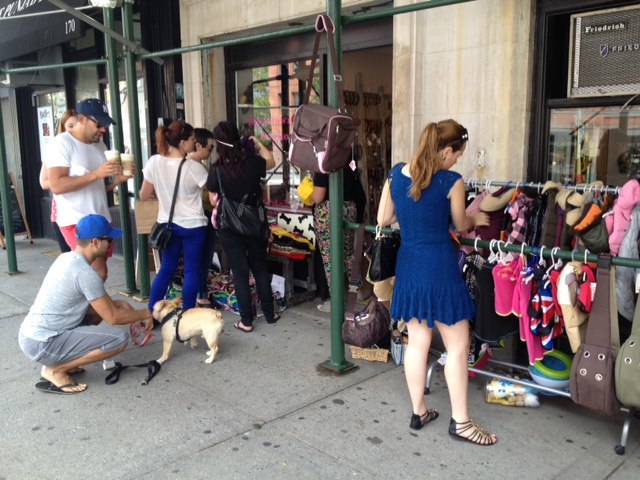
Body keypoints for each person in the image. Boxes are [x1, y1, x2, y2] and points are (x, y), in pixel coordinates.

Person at [377, 119, 497, 445]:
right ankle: (461, 423)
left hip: (410, 266)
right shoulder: (451, 181)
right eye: (457, 154)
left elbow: (382, 220)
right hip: (441, 269)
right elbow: (459, 224)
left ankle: (419, 411)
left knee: (417, 343)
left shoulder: (397, 173)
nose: (458, 160)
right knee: (458, 347)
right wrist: (477, 218)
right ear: (446, 150)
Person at [18, 214, 153, 395]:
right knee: (119, 339)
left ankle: (63, 361)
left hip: (33, 336)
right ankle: (55, 370)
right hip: (43, 343)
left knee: (98, 313)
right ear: (96, 242)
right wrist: (146, 313)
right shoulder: (85, 273)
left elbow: (95, 307)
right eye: (109, 239)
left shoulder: (66, 258)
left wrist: (118, 303)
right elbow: (113, 318)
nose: (111, 244)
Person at [207, 121, 280, 332]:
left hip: (229, 226)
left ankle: (246, 321)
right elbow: (272, 160)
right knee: (259, 267)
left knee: (240, 272)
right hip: (254, 223)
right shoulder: (253, 162)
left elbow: (213, 200)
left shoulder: (216, 168)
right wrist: (256, 142)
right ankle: (270, 313)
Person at [46, 98, 131, 281]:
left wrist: (116, 182)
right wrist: (96, 174)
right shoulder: (62, 143)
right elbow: (56, 185)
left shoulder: (100, 146)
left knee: (98, 273)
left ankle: (86, 309)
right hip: (76, 220)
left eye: (106, 124)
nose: (103, 129)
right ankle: (93, 310)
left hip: (101, 218)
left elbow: (97, 188)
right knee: (96, 273)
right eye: (99, 124)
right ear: (82, 119)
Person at [140, 120, 207, 314]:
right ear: (183, 142)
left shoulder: (154, 162)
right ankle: (187, 315)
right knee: (191, 270)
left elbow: (144, 195)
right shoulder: (194, 168)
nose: (195, 143)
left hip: (168, 225)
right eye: (193, 139)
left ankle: (152, 312)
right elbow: (212, 190)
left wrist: (162, 192)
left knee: (166, 269)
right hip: (194, 226)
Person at [311, 163, 365, 312]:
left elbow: (318, 196)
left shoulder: (324, 163)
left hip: (329, 211)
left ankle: (336, 302)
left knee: (330, 258)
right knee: (347, 253)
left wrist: (309, 194)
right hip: (349, 208)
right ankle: (358, 291)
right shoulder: (345, 160)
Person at [187, 127, 218, 308]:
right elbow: (213, 197)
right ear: (198, 145)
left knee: (194, 261)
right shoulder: (197, 168)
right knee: (202, 259)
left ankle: (197, 295)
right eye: (210, 147)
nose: (211, 152)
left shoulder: (182, 164)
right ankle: (201, 295)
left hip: (187, 219)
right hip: (201, 217)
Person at [39, 109, 77, 253]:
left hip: (86, 212)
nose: (73, 130)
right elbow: (43, 181)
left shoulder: (88, 147)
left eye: (76, 125)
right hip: (63, 212)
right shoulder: (56, 148)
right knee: (70, 258)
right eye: (70, 126)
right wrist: (68, 182)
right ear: (63, 127)